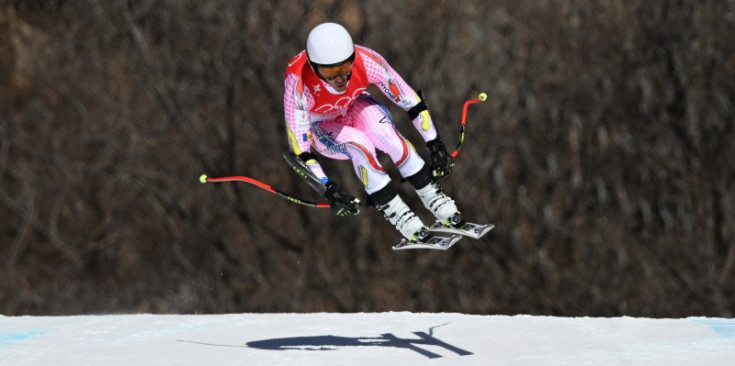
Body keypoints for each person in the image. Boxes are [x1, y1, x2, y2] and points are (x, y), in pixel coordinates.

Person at [283, 22, 462, 242]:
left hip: (353, 106)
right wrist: (328, 188)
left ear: (353, 58)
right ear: (313, 65)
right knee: (360, 144)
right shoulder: (298, 82)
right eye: (330, 72)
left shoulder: (367, 60)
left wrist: (436, 145)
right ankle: (397, 212)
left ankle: (434, 196)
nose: (339, 78)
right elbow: (301, 150)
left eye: (345, 68)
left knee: (386, 134)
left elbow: (411, 102)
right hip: (321, 127)